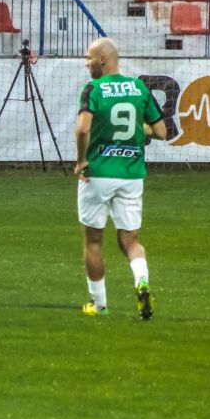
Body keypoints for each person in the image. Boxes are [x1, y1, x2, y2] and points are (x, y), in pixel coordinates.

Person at [74, 37, 166, 319]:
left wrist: (81, 161)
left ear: (102, 59)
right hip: (131, 175)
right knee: (130, 241)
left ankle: (100, 306)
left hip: (98, 174)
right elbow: (161, 131)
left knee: (93, 241)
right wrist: (139, 130)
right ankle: (142, 282)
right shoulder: (139, 88)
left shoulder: (93, 89)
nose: (86, 63)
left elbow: (82, 129)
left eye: (89, 58)